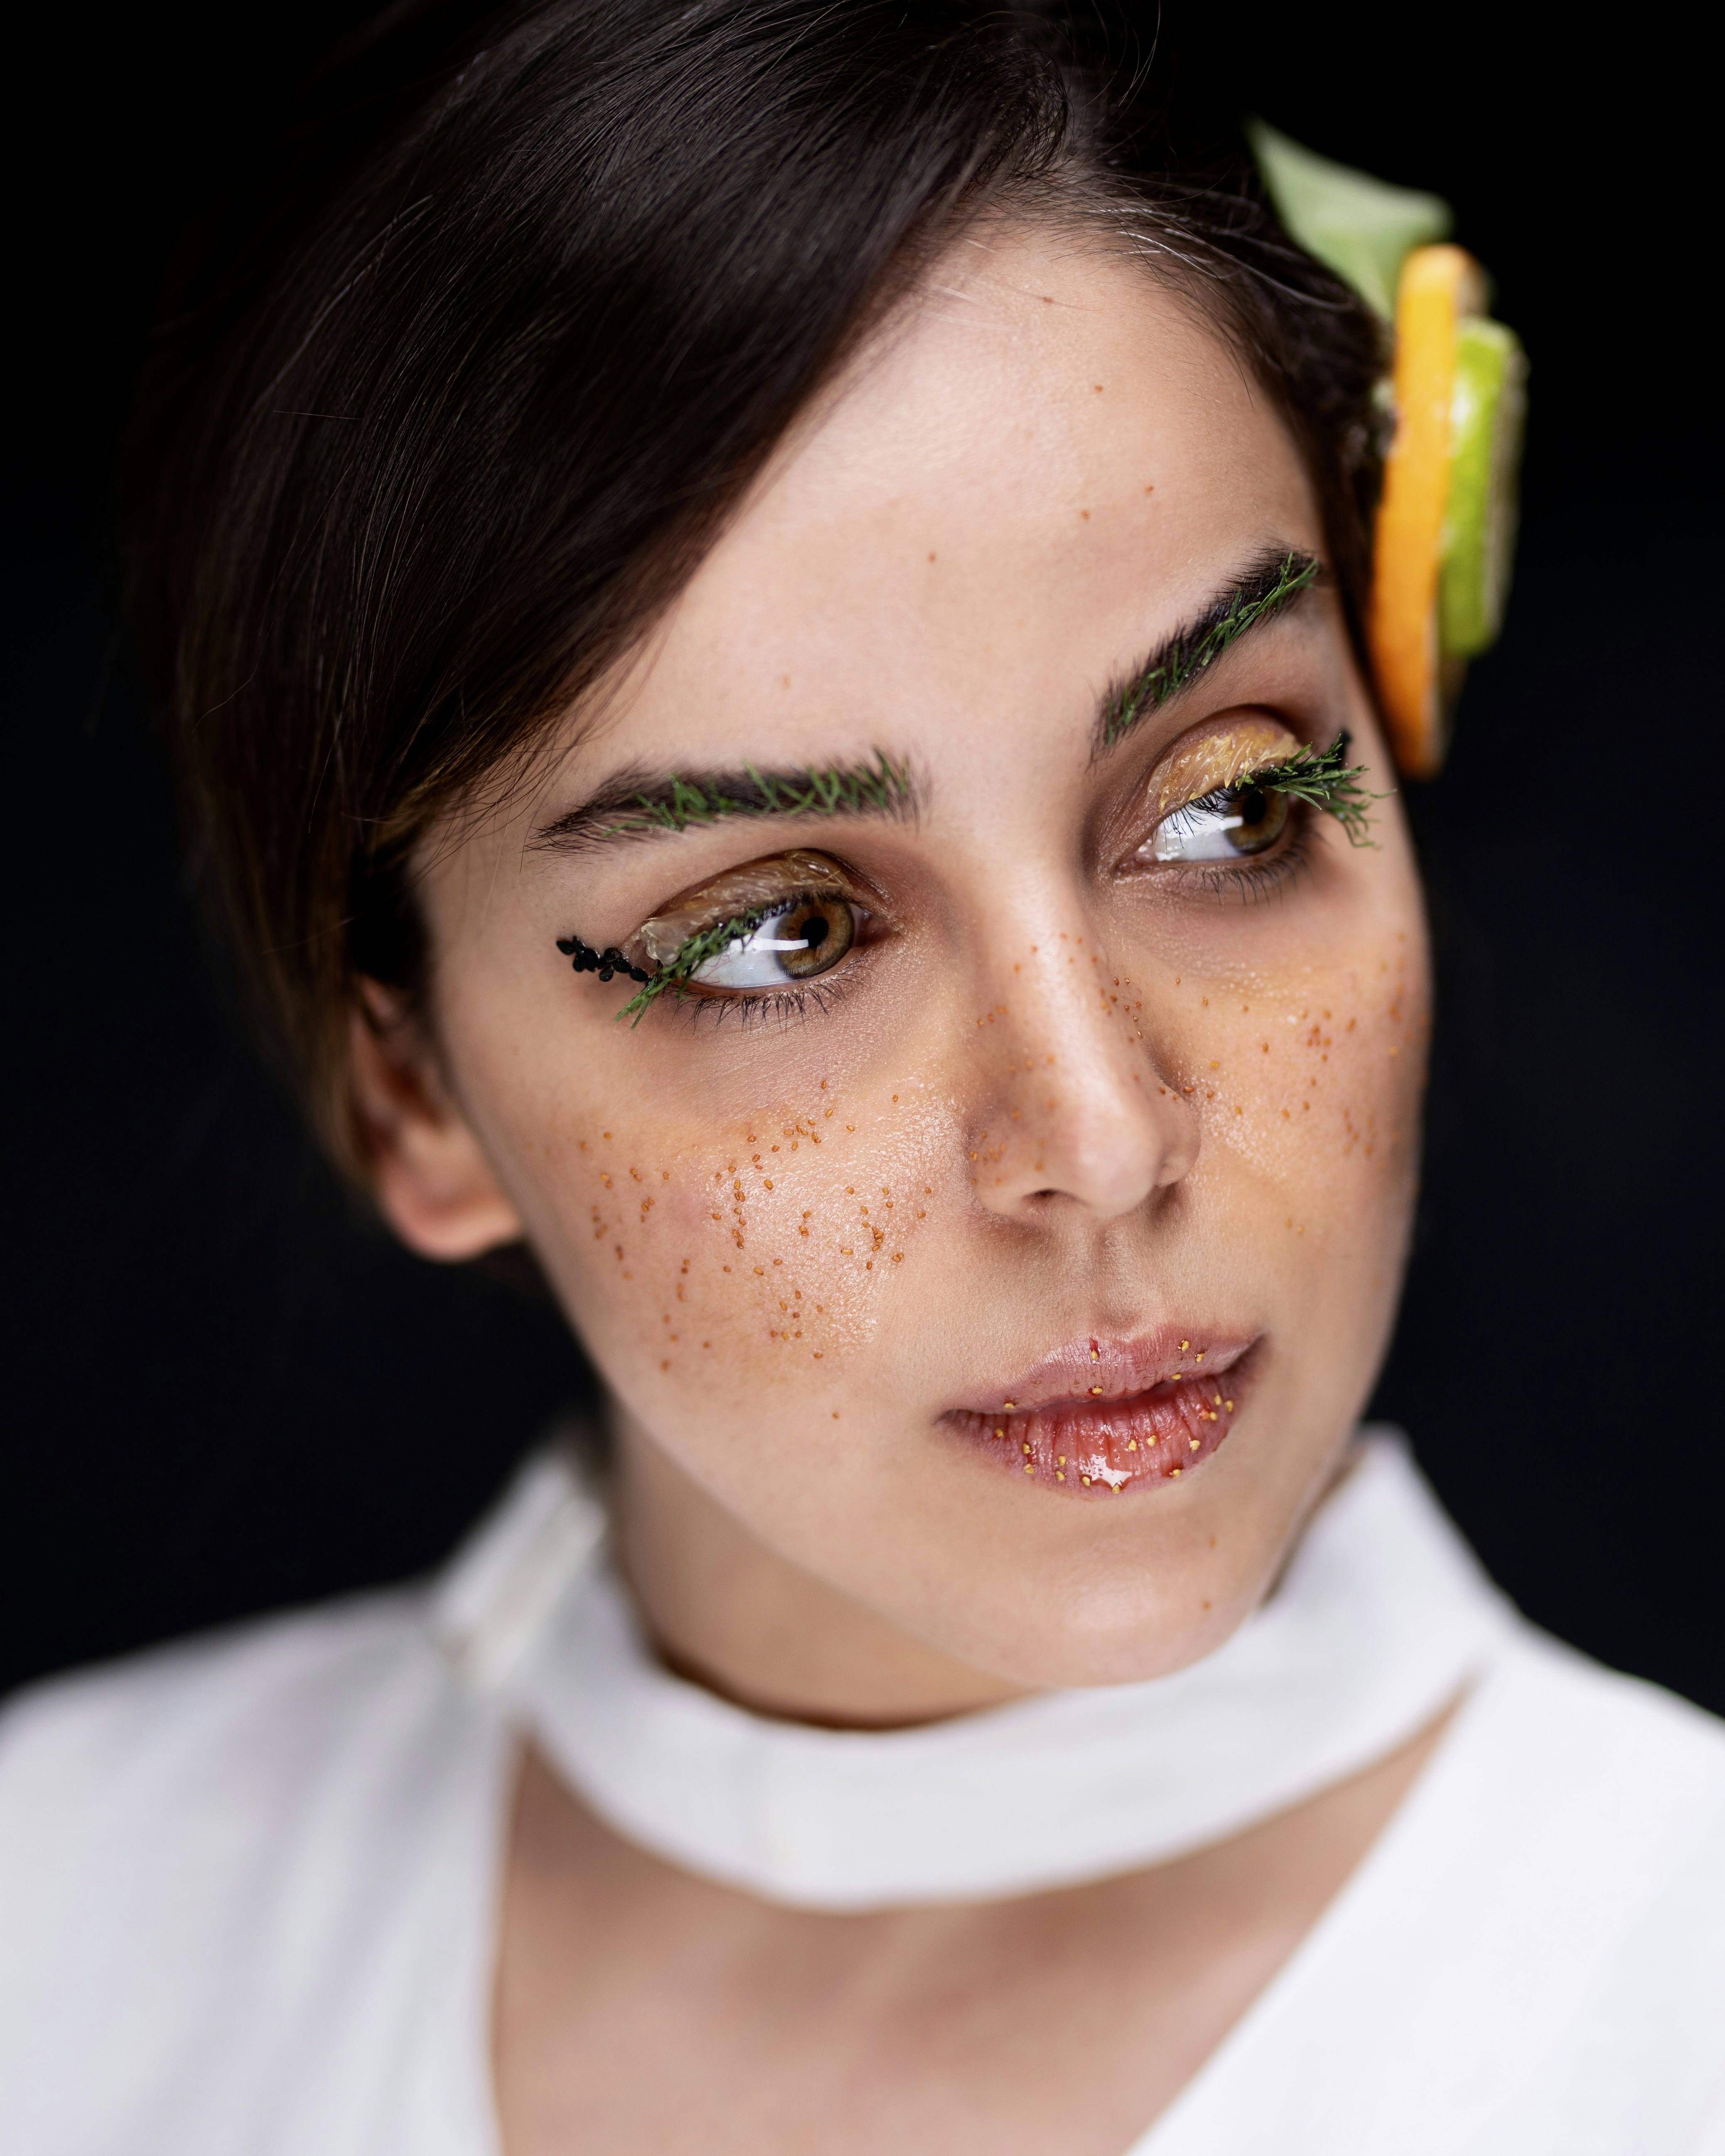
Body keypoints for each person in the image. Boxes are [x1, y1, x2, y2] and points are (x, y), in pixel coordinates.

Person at [2, 5, 1721, 2151]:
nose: (1095, 1137)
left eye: (1223, 812)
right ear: (416, 1095)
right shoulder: (54, 1935)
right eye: (781, 935)